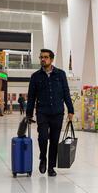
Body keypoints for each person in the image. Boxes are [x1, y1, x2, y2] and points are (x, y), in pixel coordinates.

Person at [26, 49, 74, 177]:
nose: (43, 59)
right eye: (41, 57)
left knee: (54, 140)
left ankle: (51, 167)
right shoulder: (35, 76)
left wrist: (71, 110)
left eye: (46, 57)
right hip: (42, 112)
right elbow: (31, 97)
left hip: (58, 112)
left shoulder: (60, 74)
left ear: (51, 59)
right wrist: (28, 114)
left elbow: (66, 93)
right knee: (42, 137)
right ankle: (43, 158)